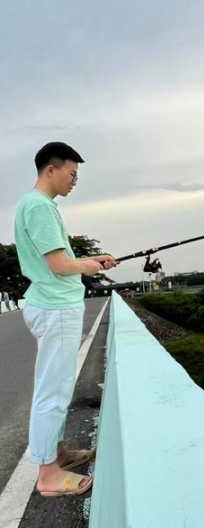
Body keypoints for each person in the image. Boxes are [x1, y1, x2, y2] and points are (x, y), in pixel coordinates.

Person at [14, 142, 118, 497]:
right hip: (56, 308)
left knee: (57, 386)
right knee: (53, 392)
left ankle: (55, 454)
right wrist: (88, 266)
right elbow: (59, 267)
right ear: (51, 170)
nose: (75, 180)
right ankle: (47, 474)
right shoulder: (40, 208)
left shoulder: (37, 206)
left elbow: (58, 260)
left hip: (54, 304)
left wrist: (91, 258)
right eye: (72, 173)